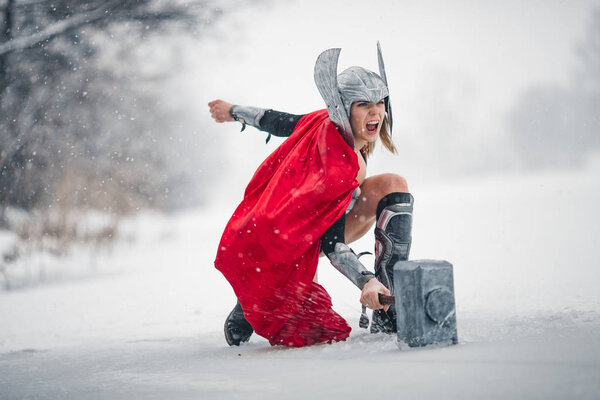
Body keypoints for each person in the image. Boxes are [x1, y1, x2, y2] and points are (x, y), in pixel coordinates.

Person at [209, 44, 414, 347]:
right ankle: (254, 302)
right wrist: (366, 279)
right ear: (342, 107)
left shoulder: (324, 122)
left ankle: (388, 309)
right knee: (306, 324)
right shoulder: (336, 164)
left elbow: (278, 121)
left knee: (392, 183)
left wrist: (233, 111)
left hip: (301, 230)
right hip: (283, 243)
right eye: (362, 104)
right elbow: (332, 243)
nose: (375, 112)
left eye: (380, 102)